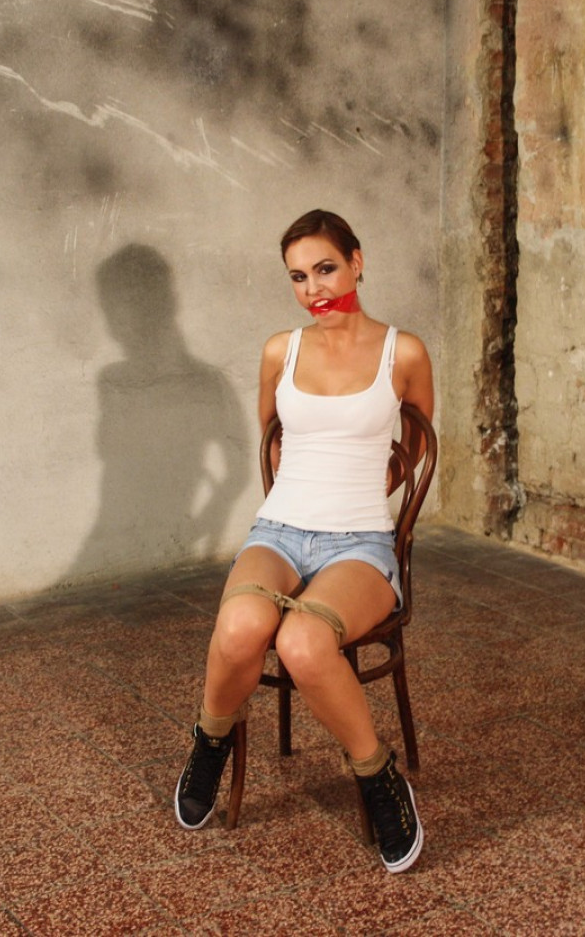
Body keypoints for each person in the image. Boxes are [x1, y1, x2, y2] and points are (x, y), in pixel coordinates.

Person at [174, 209, 435, 873]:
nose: (314, 289)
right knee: (240, 627)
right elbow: (273, 437)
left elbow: (416, 443)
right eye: (298, 277)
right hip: (280, 532)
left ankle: (378, 775)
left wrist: (362, 490)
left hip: (360, 542)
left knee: (302, 642)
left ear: (357, 262)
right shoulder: (280, 351)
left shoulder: (403, 352)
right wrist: (301, 493)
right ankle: (211, 739)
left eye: (325, 269)